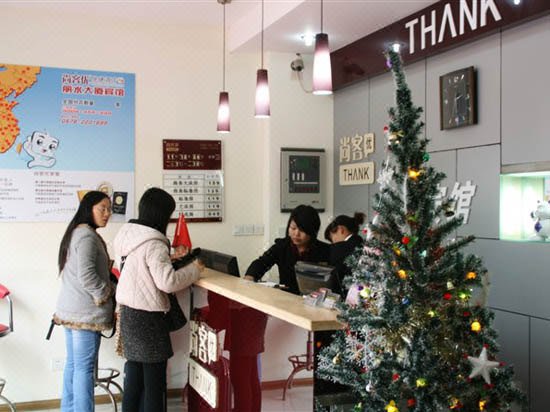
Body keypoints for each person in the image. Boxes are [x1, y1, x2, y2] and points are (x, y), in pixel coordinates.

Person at [114, 187, 203, 412]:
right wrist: (194, 270)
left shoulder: (127, 235)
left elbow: (137, 268)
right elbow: (167, 282)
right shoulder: (154, 242)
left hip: (128, 313)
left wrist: (168, 258)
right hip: (149, 318)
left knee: (134, 377)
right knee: (154, 384)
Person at [54, 190, 114, 412]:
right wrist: (105, 293)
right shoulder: (87, 236)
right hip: (85, 314)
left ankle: (69, 409)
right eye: (102, 208)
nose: (107, 213)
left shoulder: (77, 233)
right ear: (88, 209)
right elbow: (87, 276)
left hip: (71, 311)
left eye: (109, 209)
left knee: (74, 365)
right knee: (84, 369)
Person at [245, 204, 330, 294]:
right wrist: (250, 276)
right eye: (293, 228)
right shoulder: (282, 246)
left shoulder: (325, 250)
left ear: (312, 231)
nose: (296, 234)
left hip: (314, 299)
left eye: (302, 230)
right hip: (286, 297)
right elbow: (262, 262)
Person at [324, 212, 366, 296]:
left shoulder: (341, 248)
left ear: (341, 229)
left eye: (332, 238)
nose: (333, 242)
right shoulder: (361, 243)